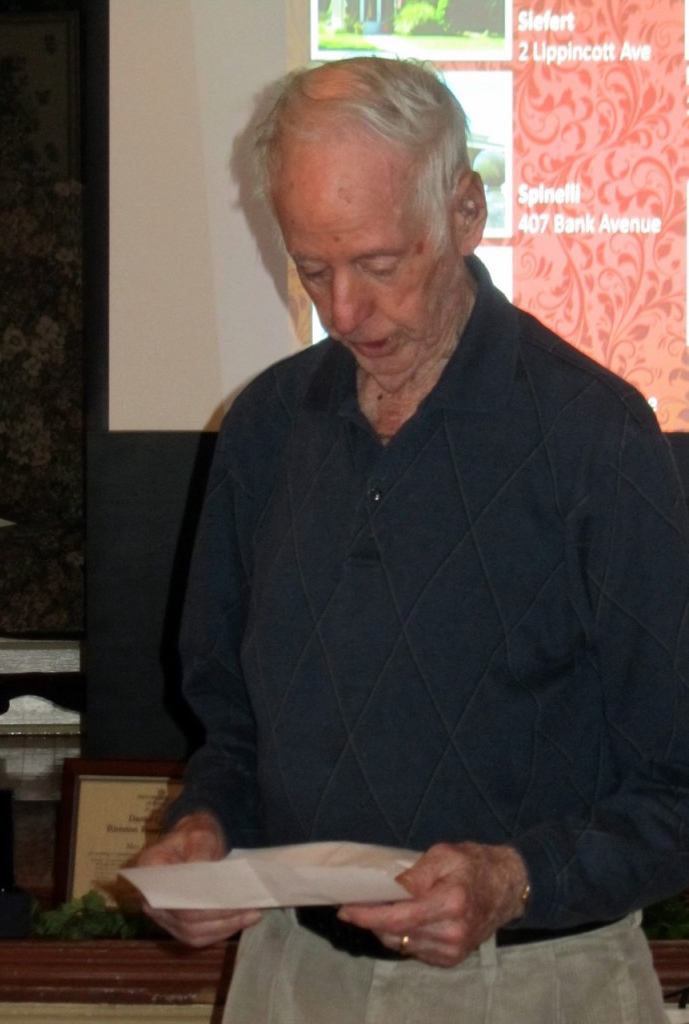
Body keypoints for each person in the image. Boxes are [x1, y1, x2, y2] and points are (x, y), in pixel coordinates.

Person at [137, 56, 689, 1023]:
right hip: (290, 977)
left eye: (380, 265)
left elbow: (679, 783)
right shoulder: (265, 429)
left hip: (536, 987)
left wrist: (513, 879)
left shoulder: (592, 438)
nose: (343, 311)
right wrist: (204, 825)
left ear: (465, 213)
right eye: (313, 270)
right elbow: (233, 729)